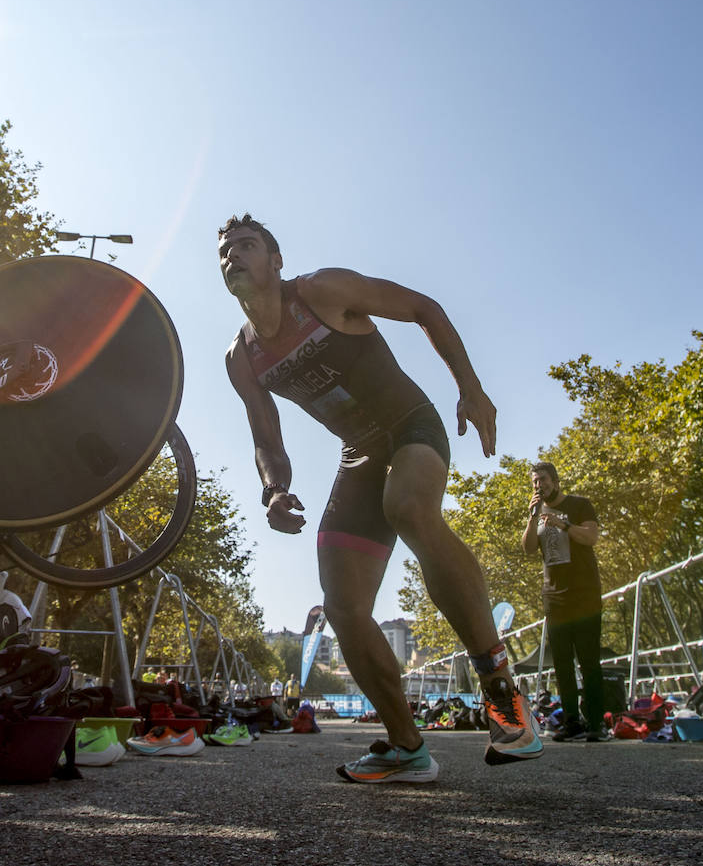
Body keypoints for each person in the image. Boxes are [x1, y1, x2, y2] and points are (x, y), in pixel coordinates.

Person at [219, 213, 541, 783]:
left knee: (410, 507)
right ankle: (406, 746)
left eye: (246, 245)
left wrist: (471, 387)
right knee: (341, 605)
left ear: (276, 261)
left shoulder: (321, 291)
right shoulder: (240, 358)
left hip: (411, 426)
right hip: (359, 455)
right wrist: (274, 490)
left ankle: (500, 690)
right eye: (224, 251)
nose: (233, 255)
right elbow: (266, 437)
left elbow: (424, 308)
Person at [521, 462, 608, 742]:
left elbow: (591, 537)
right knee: (561, 664)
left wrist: (565, 524)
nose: (539, 485)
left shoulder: (580, 505)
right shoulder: (537, 513)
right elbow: (528, 548)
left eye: (543, 480)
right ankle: (572, 722)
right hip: (554, 597)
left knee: (589, 660)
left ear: (555, 481)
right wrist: (532, 519)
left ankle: (596, 723)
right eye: (535, 482)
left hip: (584, 594)